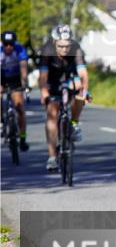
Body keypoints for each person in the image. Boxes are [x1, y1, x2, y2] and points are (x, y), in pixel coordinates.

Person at [38, 25, 90, 172]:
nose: (65, 50)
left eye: (67, 46)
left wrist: (85, 92)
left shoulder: (76, 49)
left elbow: (83, 74)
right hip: (53, 80)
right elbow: (42, 77)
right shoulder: (47, 51)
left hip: (70, 77)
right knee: (52, 114)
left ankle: (74, 123)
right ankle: (52, 157)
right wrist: (44, 94)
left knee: (80, 90)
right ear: (55, 43)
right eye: (61, 46)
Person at [1, 31, 30, 152]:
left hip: (15, 78)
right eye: (6, 44)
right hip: (2, 77)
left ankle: (22, 138)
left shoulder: (19, 49)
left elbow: (23, 69)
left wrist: (25, 85)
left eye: (11, 44)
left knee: (19, 106)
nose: (9, 47)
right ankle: (2, 123)